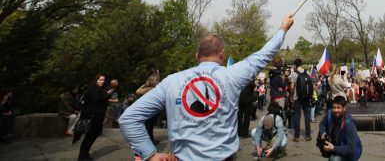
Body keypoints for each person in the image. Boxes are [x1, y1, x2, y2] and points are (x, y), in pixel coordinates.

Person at [119, 14, 294, 161]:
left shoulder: (171, 81)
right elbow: (265, 54)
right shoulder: (232, 75)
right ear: (222, 54)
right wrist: (283, 28)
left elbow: (128, 119)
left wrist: (150, 154)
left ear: (197, 56)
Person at [75, 75, 114, 161]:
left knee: (93, 136)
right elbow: (96, 99)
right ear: (96, 80)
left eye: (103, 80)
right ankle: (82, 157)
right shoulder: (93, 89)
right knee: (89, 136)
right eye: (100, 80)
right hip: (91, 116)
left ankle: (85, 154)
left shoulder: (101, 90)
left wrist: (106, 94)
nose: (102, 81)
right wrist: (107, 94)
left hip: (98, 116)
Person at [317, 96, 362, 161]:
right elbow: (322, 124)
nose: (335, 110)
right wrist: (323, 133)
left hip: (352, 152)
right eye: (334, 107)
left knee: (334, 159)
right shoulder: (329, 114)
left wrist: (333, 148)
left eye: (338, 108)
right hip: (336, 144)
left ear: (344, 108)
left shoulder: (349, 124)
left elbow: (351, 148)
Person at [289, 58, 313, 142]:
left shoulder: (294, 74)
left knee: (297, 116)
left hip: (297, 97)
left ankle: (297, 136)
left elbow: (292, 87)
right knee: (307, 115)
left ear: (295, 65)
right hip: (306, 97)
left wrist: (291, 97)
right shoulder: (307, 72)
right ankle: (308, 135)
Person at [136, 70, 161, 144]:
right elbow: (137, 91)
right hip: (149, 110)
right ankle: (148, 141)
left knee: (150, 126)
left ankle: (151, 139)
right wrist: (145, 84)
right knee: (148, 126)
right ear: (153, 81)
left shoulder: (156, 87)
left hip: (154, 109)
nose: (158, 82)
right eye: (157, 80)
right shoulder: (149, 89)